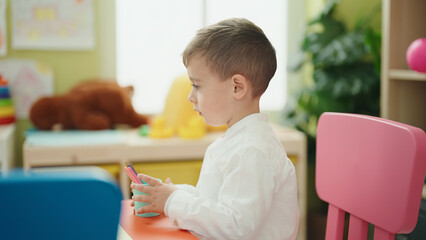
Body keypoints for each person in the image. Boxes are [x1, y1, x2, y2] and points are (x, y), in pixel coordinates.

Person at [131, 18, 299, 240]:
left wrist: (172, 201)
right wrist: (169, 193)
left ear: (237, 87)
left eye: (197, 86)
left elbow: (236, 227)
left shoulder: (252, 150)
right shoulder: (237, 141)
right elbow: (214, 201)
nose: (190, 97)